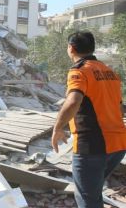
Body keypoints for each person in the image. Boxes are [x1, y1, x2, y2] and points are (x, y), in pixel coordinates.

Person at [51, 31, 126, 208]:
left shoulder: (79, 71)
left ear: (71, 48)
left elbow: (73, 100)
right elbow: (119, 108)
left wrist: (57, 128)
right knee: (93, 193)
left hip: (93, 146)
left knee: (87, 199)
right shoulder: (110, 73)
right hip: (118, 146)